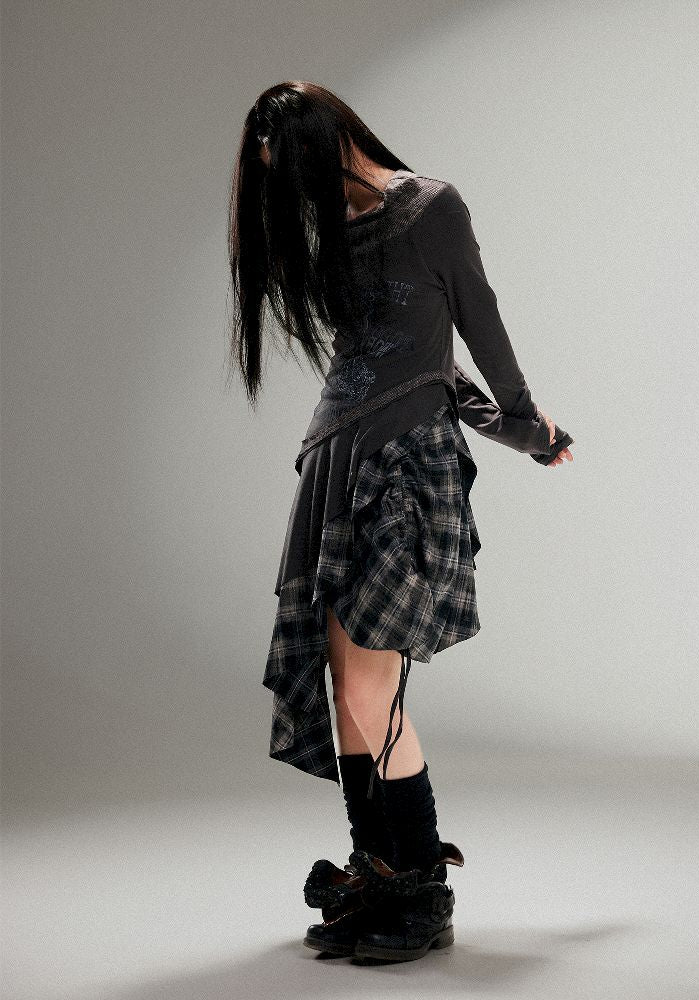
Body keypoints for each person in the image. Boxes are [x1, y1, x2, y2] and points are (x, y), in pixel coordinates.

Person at [227, 80, 574, 963]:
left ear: (327, 143)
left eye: (290, 171)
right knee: (348, 686)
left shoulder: (431, 209)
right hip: (334, 467)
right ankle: (380, 874)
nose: (289, 194)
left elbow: (475, 329)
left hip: (404, 472)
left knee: (372, 687)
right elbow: (415, 363)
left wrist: (527, 428)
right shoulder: (339, 233)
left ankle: (422, 891)